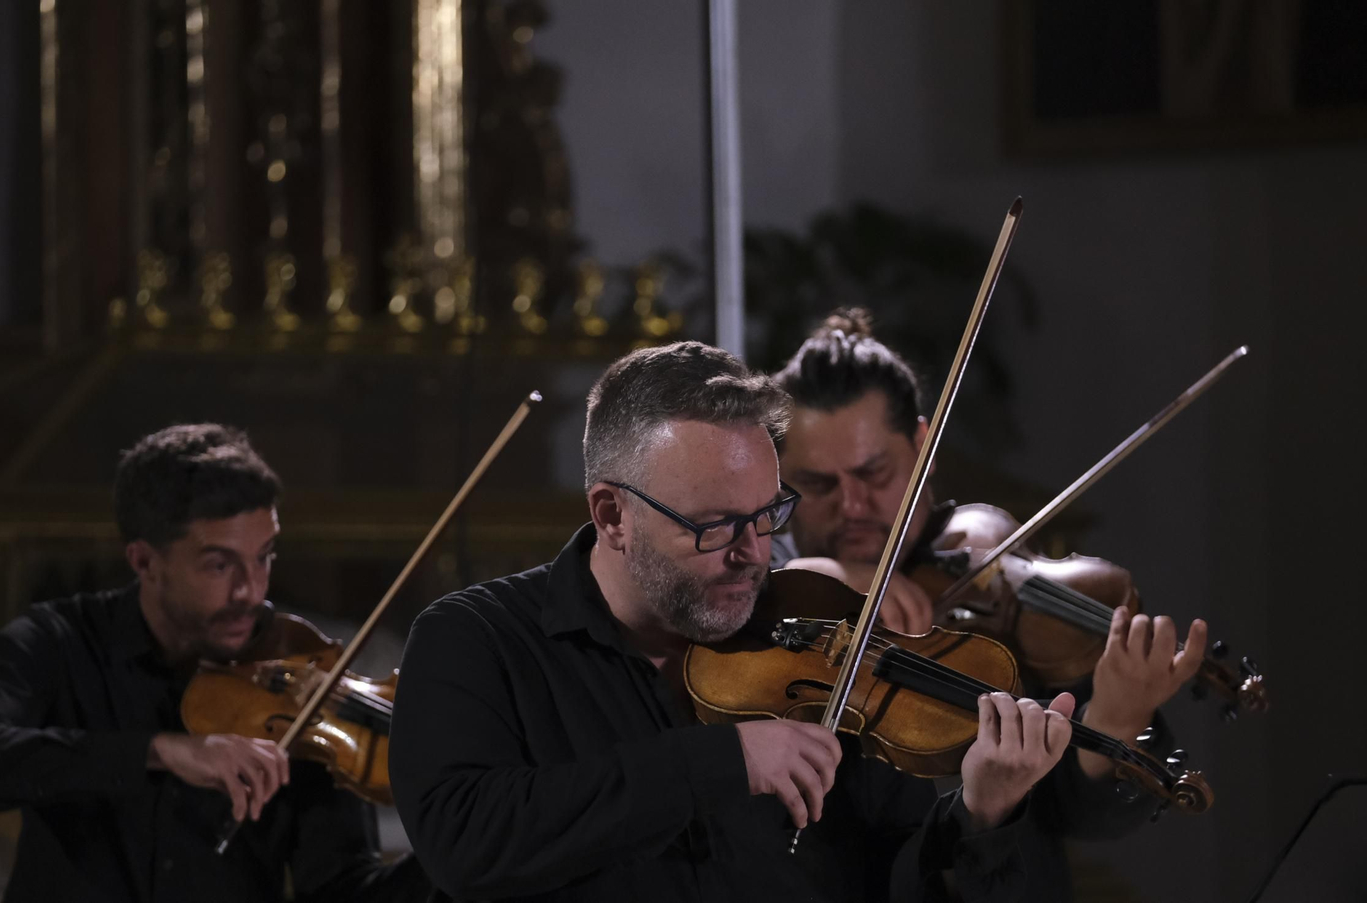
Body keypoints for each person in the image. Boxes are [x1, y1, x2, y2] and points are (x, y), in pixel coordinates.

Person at [390, 341, 1078, 902]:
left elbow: (894, 875)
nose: (753, 553)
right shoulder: (474, 640)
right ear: (611, 515)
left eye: (768, 513)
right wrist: (725, 761)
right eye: (714, 525)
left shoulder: (813, 645)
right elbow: (466, 842)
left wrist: (982, 813)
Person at [769, 309, 1210, 900]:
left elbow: (1087, 819)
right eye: (818, 485)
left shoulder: (993, 580)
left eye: (874, 473)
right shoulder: (763, 577)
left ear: (921, 445)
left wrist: (1117, 718)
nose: (851, 506)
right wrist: (819, 579)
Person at [0, 424, 430, 902]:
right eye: (219, 564)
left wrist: (451, 864)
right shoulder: (57, 643)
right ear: (145, 561)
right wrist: (159, 752)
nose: (251, 590)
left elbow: (342, 890)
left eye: (264, 557)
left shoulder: (302, 677)